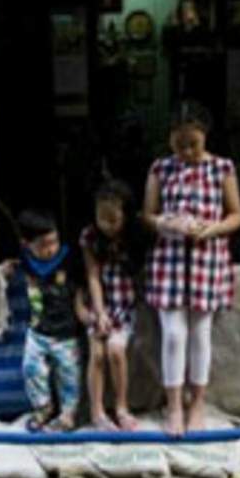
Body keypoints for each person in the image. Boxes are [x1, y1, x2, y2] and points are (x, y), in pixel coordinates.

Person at [141, 100, 240, 436]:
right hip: (170, 259)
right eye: (179, 143)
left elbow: (237, 215)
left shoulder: (222, 168)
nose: (186, 150)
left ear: (205, 136)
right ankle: (173, 406)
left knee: (200, 334)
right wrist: (165, 223)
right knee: (173, 335)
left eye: (193, 144)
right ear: (170, 138)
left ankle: (197, 403)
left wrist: (211, 229)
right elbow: (147, 215)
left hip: (207, 258)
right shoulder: (160, 168)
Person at [75, 179, 144, 431]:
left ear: (125, 215)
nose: (107, 225)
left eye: (113, 219)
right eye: (101, 218)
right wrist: (99, 312)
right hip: (99, 303)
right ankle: (97, 412)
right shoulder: (89, 236)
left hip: (125, 306)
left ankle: (121, 407)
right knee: (97, 354)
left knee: (116, 351)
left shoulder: (134, 238)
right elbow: (92, 275)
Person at [13, 209, 82, 432]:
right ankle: (43, 408)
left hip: (66, 333)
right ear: (27, 244)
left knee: (69, 375)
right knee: (31, 369)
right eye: (43, 244)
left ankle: (68, 414)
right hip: (37, 331)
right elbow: (13, 265)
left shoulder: (68, 259)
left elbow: (83, 287)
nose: (51, 249)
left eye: (54, 241)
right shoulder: (25, 260)